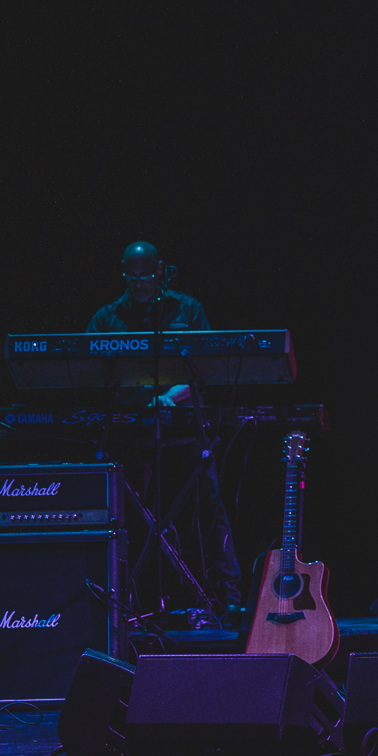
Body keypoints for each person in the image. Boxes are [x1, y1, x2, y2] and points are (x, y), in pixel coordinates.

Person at [86, 240, 240, 612]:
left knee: (208, 507)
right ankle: (125, 597)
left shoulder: (187, 309)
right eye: (131, 276)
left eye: (146, 275)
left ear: (160, 271)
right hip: (129, 434)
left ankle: (227, 597)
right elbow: (92, 373)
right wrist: (143, 401)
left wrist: (172, 396)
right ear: (124, 273)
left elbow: (206, 368)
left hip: (185, 427)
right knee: (125, 513)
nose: (139, 283)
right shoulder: (107, 318)